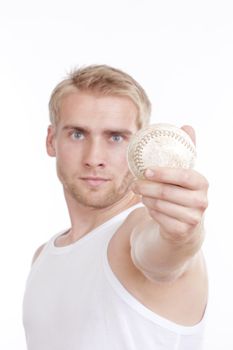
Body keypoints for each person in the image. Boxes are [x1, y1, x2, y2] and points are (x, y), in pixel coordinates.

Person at [23, 64, 209, 350]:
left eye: (115, 137)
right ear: (51, 140)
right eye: (77, 134)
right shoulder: (43, 256)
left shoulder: (140, 231)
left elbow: (163, 257)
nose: (94, 157)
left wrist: (180, 236)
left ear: (138, 146)